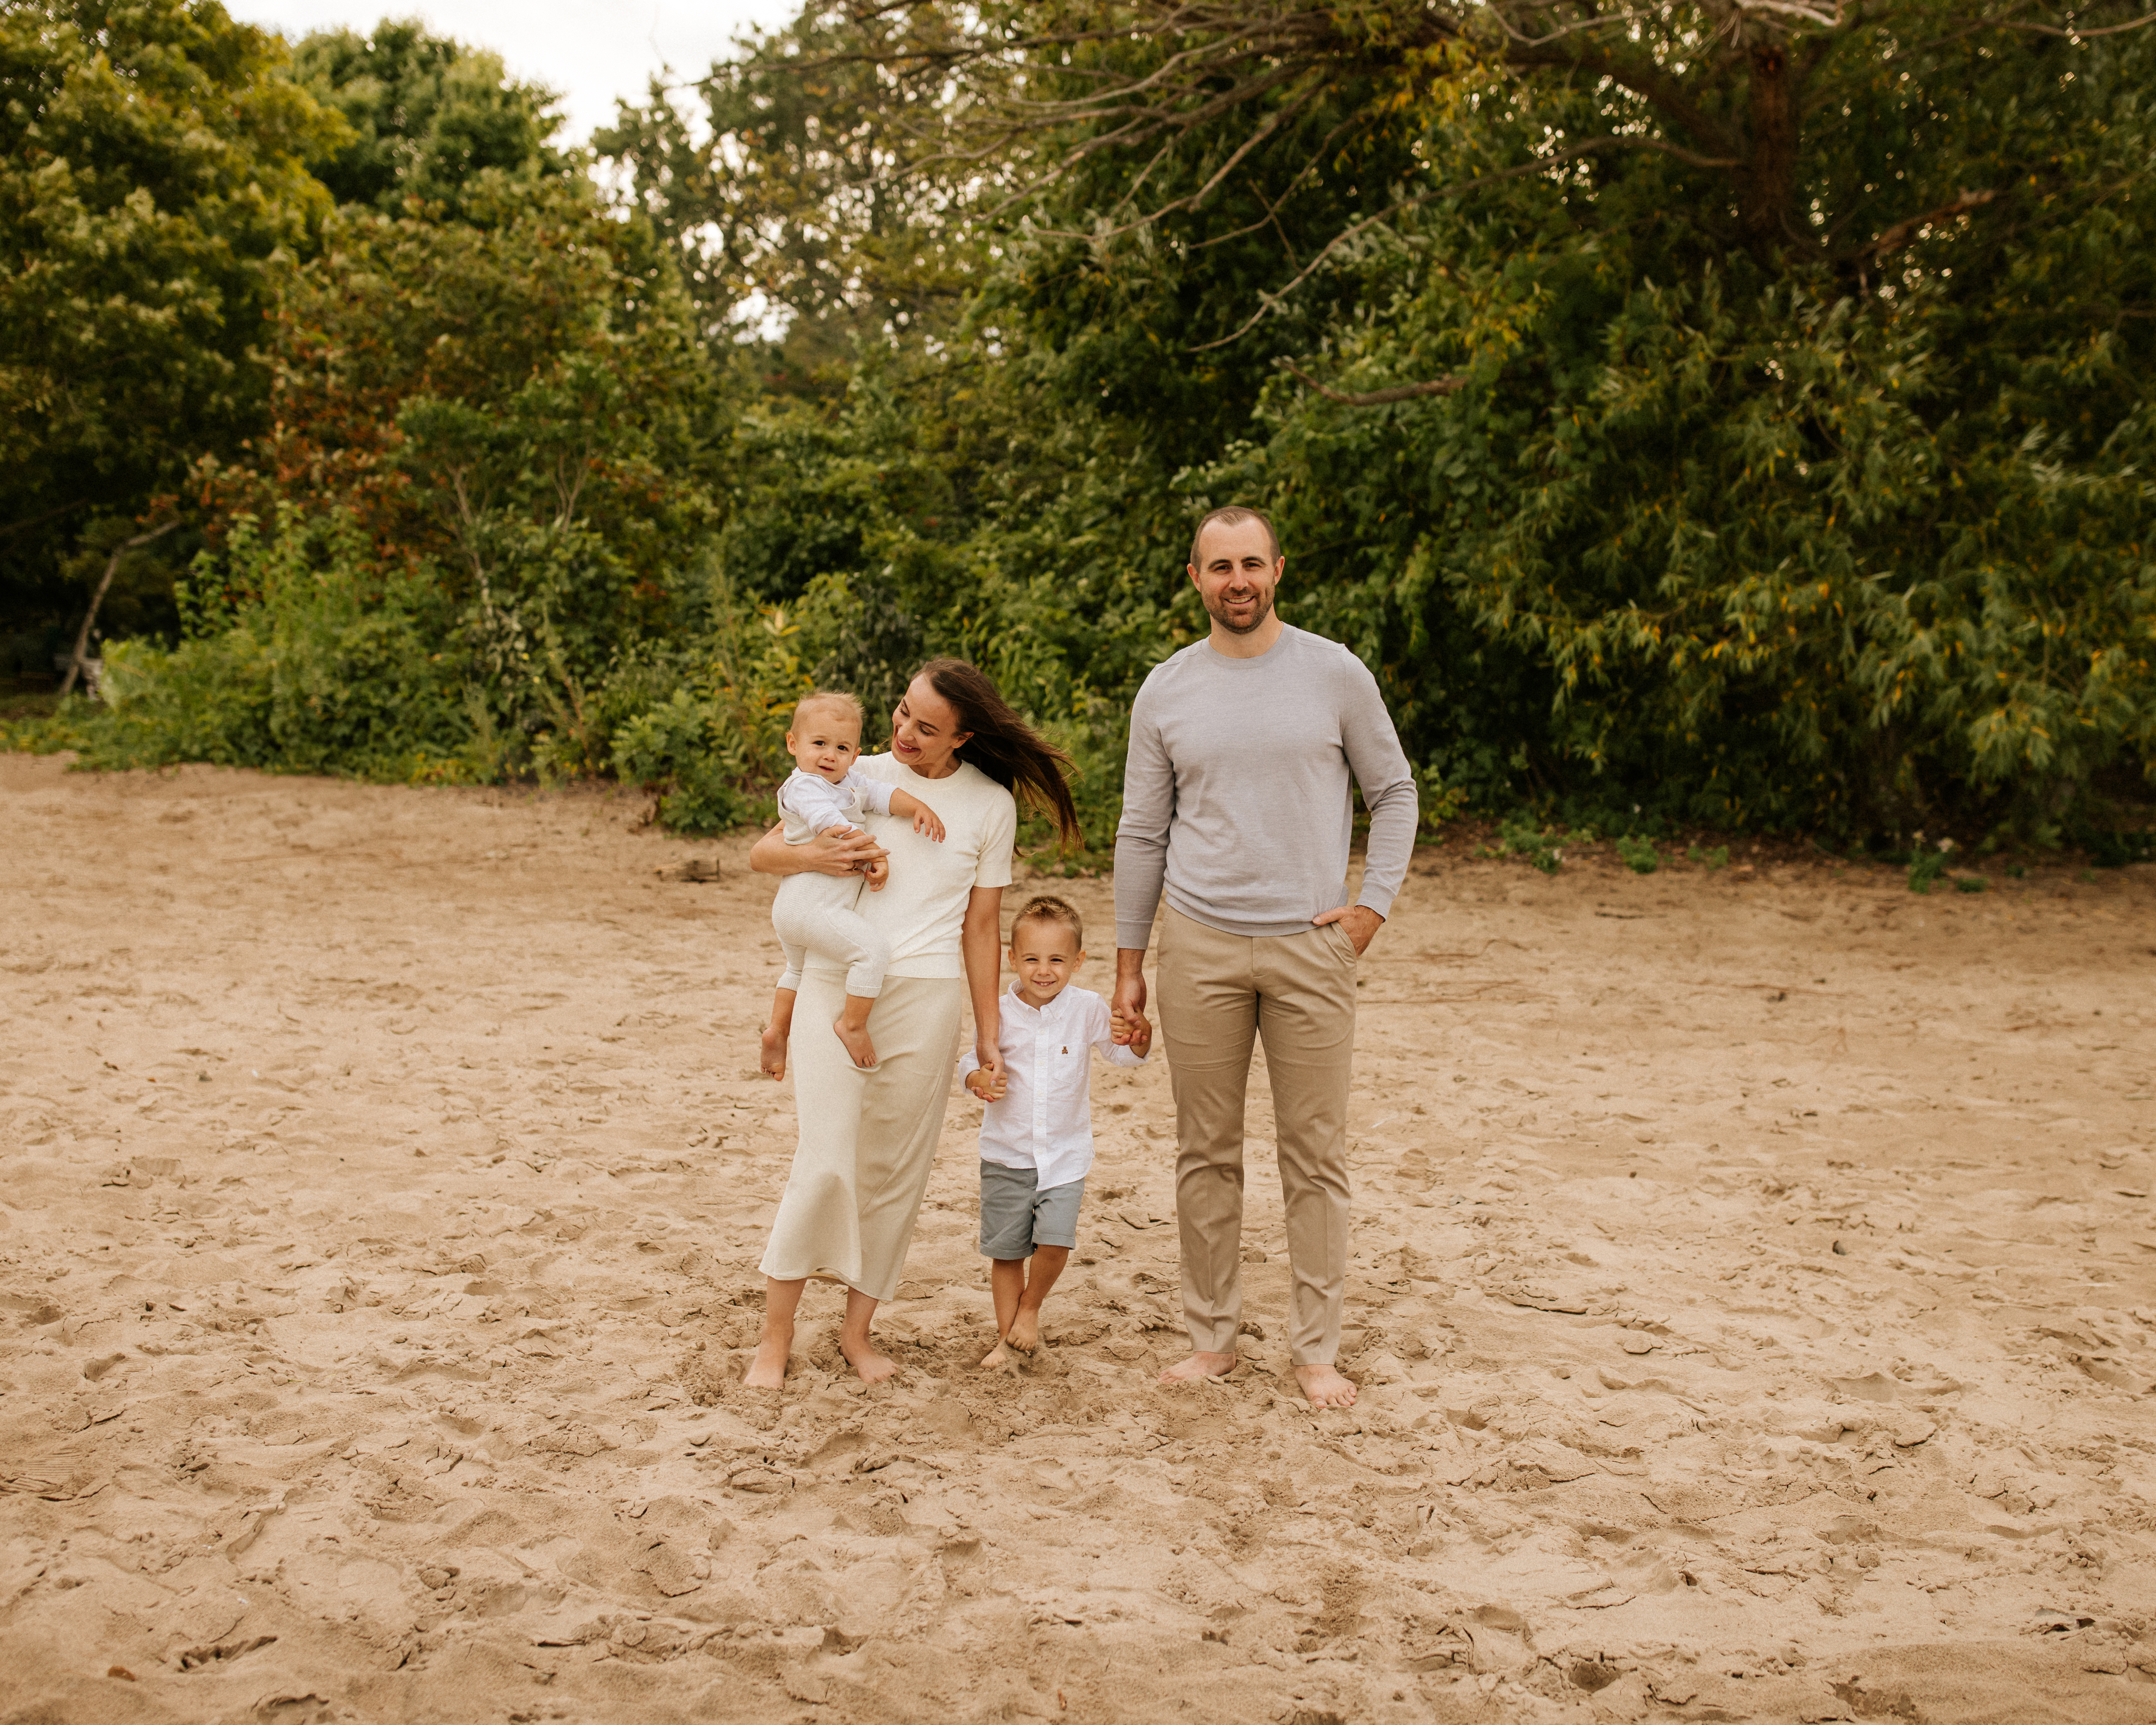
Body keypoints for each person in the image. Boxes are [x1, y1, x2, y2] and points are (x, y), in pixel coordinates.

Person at [1110, 506, 1419, 1410]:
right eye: (1218, 566)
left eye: (1251, 563)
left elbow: (1394, 792)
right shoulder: (1165, 689)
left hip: (1311, 947)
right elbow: (1141, 831)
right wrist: (1130, 961)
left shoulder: (1333, 672)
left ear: (1278, 569)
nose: (1235, 580)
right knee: (1204, 1151)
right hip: (1197, 944)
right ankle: (1211, 1336)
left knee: (1313, 1154)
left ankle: (1314, 1348)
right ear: (1195, 576)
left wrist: (1372, 907)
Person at [744, 660, 1081, 1388]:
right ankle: (774, 1341)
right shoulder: (848, 768)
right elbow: (763, 852)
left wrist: (988, 1030)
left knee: (894, 1174)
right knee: (824, 1159)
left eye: (925, 728)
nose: (903, 732)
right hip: (839, 987)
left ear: (962, 736)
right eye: (901, 714)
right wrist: (817, 854)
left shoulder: (990, 805)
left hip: (926, 998)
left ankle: (856, 1335)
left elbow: (981, 925)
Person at [959, 894, 1146, 1368]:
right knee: (1006, 1253)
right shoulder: (997, 1012)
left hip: (1064, 1156)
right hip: (1007, 1154)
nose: (1044, 970)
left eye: (1058, 960)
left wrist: (1141, 1041)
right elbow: (968, 1063)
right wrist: (978, 1080)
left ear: (1079, 961)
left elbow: (1120, 1054)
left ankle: (1031, 1308)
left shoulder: (1087, 1008)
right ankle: (1008, 1339)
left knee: (1056, 1241)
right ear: (1012, 959)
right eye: (1033, 959)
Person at [762, 690, 948, 1077]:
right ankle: (853, 1023)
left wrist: (916, 807)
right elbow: (831, 823)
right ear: (793, 744)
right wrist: (874, 854)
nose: (830, 755)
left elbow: (880, 795)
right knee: (872, 953)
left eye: (842, 747)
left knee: (795, 971)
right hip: (813, 908)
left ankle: (777, 1032)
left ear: (855, 753)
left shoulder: (845, 782)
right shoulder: (805, 788)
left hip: (794, 909)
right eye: (819, 744)